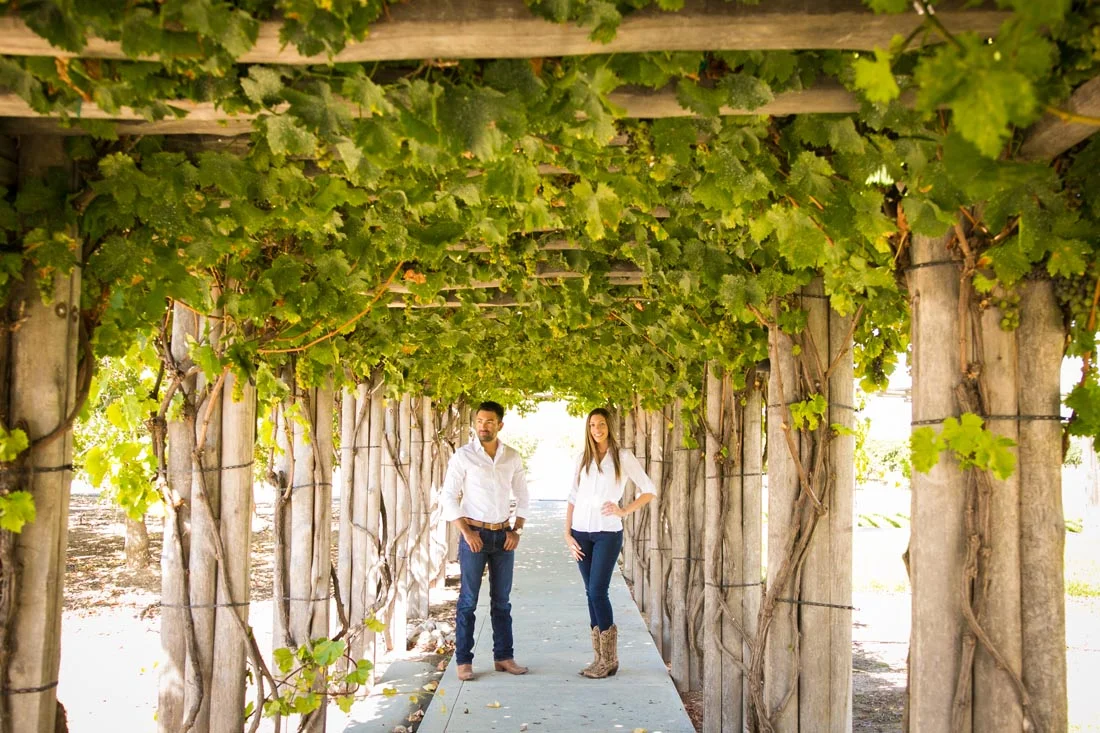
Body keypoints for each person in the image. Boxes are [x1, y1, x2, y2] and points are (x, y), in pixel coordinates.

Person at [440, 400, 530, 681]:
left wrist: (516, 530)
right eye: (479, 421)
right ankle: (464, 662)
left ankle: (504, 657)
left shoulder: (511, 457)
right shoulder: (463, 456)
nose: (483, 426)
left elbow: (523, 495)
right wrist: (466, 533)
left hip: (503, 536)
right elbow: (448, 497)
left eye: (489, 421)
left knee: (501, 601)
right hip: (474, 535)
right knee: (468, 600)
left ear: (499, 425)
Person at [564, 407, 656, 679]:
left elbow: (649, 489)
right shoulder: (582, 458)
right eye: (592, 425)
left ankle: (610, 659)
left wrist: (623, 510)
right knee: (589, 592)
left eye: (601, 424)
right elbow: (572, 496)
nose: (596, 429)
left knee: (597, 591)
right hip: (580, 533)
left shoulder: (622, 457)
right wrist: (567, 533)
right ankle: (599, 658)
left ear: (609, 426)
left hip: (607, 532)